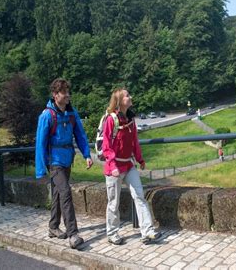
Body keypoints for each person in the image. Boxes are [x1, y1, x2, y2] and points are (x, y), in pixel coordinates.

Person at [35, 78, 93, 249]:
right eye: (63, 92)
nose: (68, 95)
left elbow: (80, 135)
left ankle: (53, 227)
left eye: (68, 91)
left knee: (59, 195)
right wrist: (40, 169)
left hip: (67, 159)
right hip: (55, 162)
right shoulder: (47, 115)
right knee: (65, 192)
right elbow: (40, 143)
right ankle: (73, 234)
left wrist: (87, 154)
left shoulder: (71, 114)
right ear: (55, 95)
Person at [102, 88, 161, 245]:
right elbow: (106, 145)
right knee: (113, 202)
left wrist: (140, 159)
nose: (131, 97)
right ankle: (112, 233)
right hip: (113, 168)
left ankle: (147, 232)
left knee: (139, 196)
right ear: (120, 100)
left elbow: (134, 142)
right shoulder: (111, 120)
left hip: (128, 164)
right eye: (127, 95)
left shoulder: (131, 120)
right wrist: (113, 164)